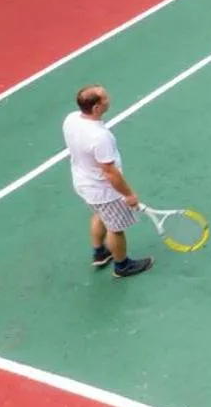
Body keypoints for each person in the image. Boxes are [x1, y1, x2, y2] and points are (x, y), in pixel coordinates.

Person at [62, 85, 153, 279]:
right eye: (105, 99)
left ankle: (100, 252)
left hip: (83, 183)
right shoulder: (100, 137)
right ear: (96, 108)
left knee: (100, 214)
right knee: (115, 228)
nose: (109, 100)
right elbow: (110, 172)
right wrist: (129, 194)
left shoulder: (71, 119)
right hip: (104, 191)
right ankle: (122, 266)